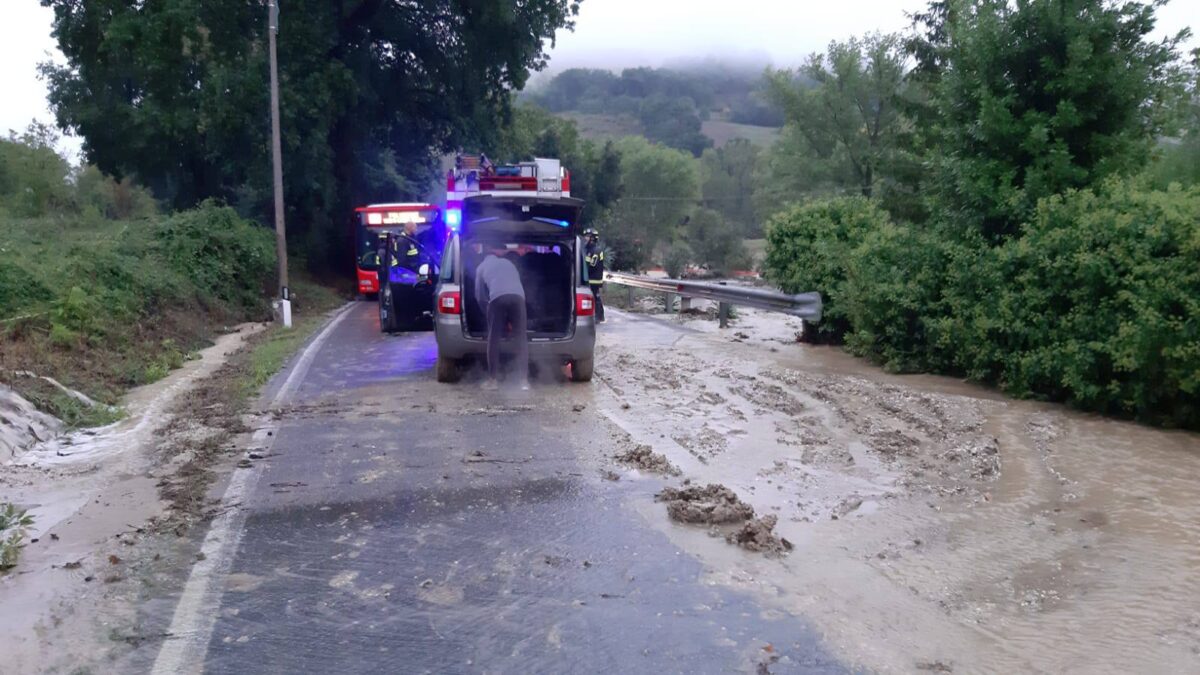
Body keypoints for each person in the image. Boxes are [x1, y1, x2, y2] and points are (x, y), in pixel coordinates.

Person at [474, 249, 529, 391]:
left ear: (484, 258)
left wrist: (487, 315)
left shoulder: (481, 268)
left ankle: (493, 380)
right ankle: (524, 382)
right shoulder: (508, 263)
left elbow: (480, 296)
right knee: (521, 338)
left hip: (497, 298)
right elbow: (516, 284)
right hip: (519, 298)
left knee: (494, 339)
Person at [583, 228, 606, 323]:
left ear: (593, 238)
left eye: (587, 236)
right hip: (590, 278)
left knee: (594, 297)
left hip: (594, 279)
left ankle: (598, 316)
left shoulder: (595, 250)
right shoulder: (588, 249)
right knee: (595, 297)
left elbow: (591, 265)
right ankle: (599, 316)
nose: (585, 238)